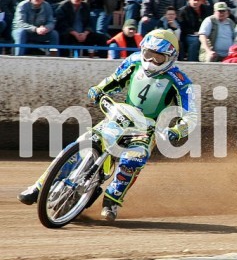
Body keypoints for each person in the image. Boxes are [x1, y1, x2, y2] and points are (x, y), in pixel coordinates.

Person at [18, 29, 198, 222]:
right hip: (119, 117)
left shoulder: (181, 82)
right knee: (79, 144)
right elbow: (114, 80)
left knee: (133, 160)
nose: (151, 61)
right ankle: (38, 187)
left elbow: (191, 115)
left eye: (158, 57)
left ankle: (112, 200)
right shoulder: (133, 61)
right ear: (142, 50)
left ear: (170, 58)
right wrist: (99, 89)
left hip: (146, 129)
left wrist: (177, 131)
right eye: (148, 54)